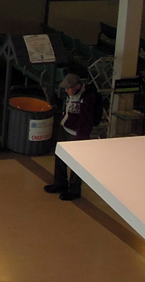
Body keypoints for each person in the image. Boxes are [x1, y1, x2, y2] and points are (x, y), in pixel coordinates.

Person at [45, 73, 96, 201]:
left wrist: (81, 137)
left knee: (76, 163)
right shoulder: (70, 94)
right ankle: (60, 183)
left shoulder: (88, 98)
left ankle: (74, 190)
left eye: (69, 88)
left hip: (77, 134)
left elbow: (87, 120)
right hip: (65, 129)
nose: (67, 91)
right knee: (60, 158)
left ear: (77, 86)